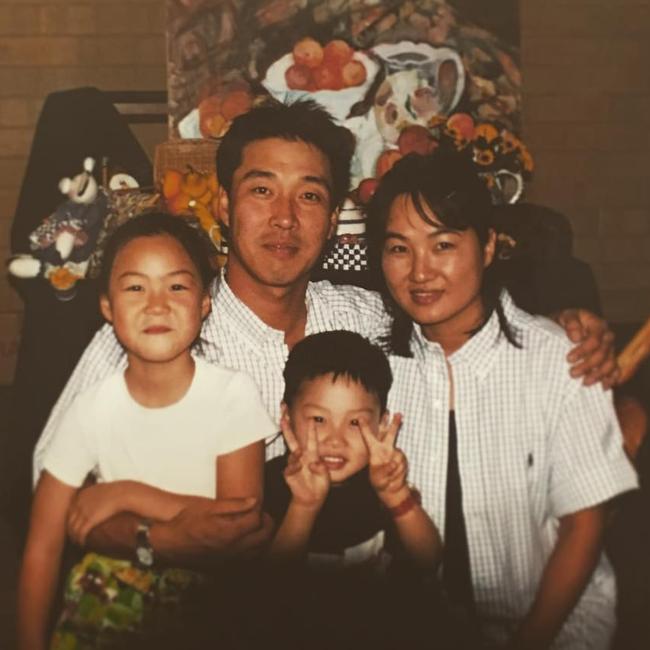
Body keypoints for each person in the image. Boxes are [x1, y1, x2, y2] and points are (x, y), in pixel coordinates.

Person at [32, 99, 618, 565]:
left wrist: (570, 320)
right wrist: (153, 541)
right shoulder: (157, 331)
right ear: (225, 204)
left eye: (309, 195)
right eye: (262, 190)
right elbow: (55, 496)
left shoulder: (368, 319)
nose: (285, 217)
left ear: (335, 217)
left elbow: (464, 315)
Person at [365, 151, 639, 649]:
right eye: (399, 249)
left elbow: (585, 525)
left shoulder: (560, 358)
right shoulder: (377, 366)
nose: (420, 272)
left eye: (443, 244)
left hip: (554, 629)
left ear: (488, 246)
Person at [17, 214, 276, 650]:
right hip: (105, 608)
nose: (157, 304)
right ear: (107, 307)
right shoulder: (90, 409)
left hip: (210, 611)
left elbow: (238, 528)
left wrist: (126, 495)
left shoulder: (232, 395)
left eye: (177, 286)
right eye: (135, 287)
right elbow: (42, 547)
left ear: (204, 303)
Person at [266, 330, 441, 569]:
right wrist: (303, 506)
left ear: (381, 425)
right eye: (318, 419)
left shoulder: (382, 485)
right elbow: (268, 583)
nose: (336, 440)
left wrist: (396, 495)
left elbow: (429, 560)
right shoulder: (267, 485)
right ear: (286, 415)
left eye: (355, 423)